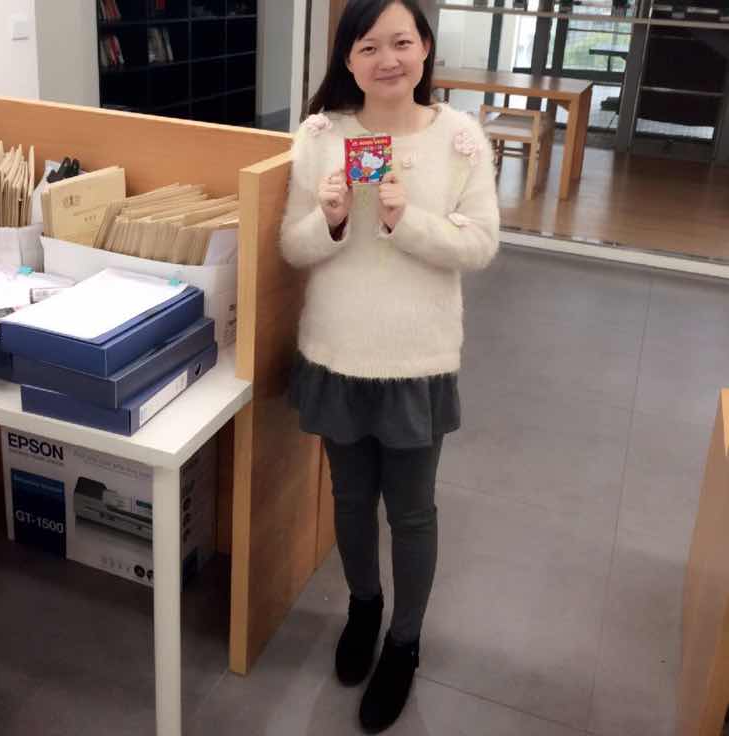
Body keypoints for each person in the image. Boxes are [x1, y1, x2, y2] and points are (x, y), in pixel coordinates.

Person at [279, 0, 500, 731]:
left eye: (401, 42)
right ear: (347, 59)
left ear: (425, 48)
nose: (387, 60)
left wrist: (408, 223)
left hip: (417, 359)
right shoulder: (321, 136)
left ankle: (405, 643)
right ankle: (363, 609)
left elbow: (480, 245)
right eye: (368, 46)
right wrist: (332, 218)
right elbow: (292, 248)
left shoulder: (460, 139)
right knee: (348, 500)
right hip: (337, 350)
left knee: (411, 510)